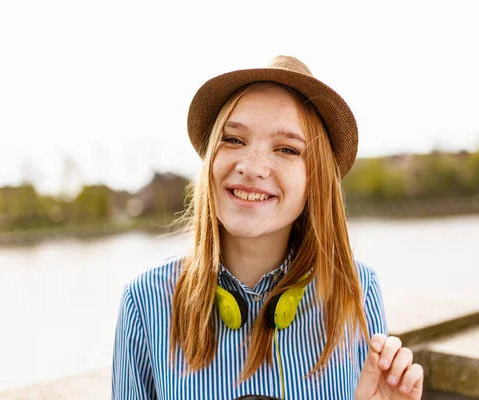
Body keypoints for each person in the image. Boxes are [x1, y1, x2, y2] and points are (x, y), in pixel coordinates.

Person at [112, 55, 424, 400]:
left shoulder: (358, 290)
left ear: (314, 180)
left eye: (287, 149)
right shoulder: (145, 302)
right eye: (233, 140)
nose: (253, 166)